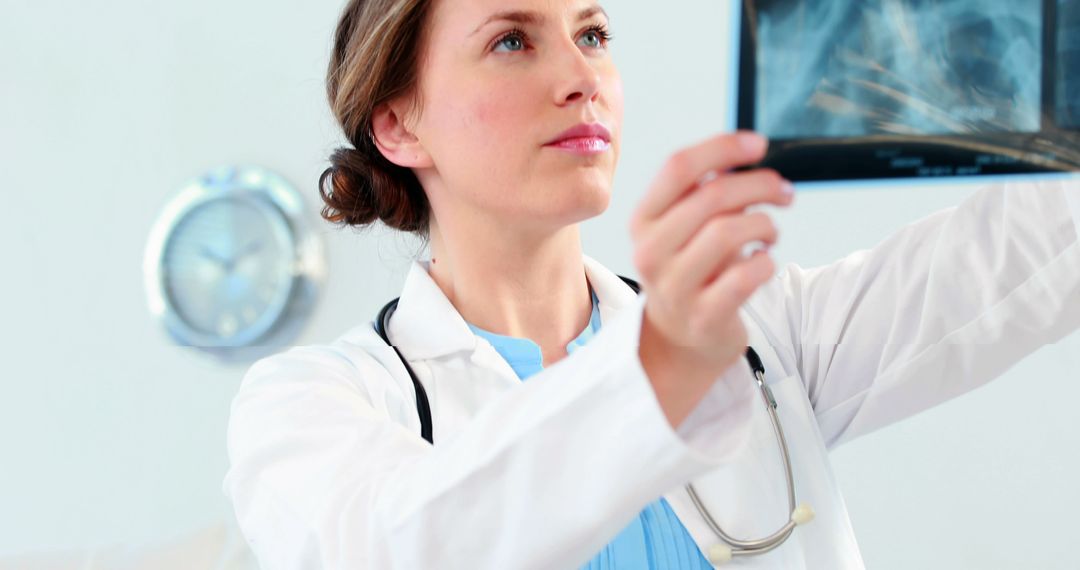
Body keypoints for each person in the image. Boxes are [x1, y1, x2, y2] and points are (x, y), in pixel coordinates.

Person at [221, 0, 1080, 568]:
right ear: (399, 126)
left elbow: (1012, 259)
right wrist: (660, 365)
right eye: (511, 41)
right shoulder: (310, 405)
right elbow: (399, 543)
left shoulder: (759, 339)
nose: (580, 78)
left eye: (592, 35)